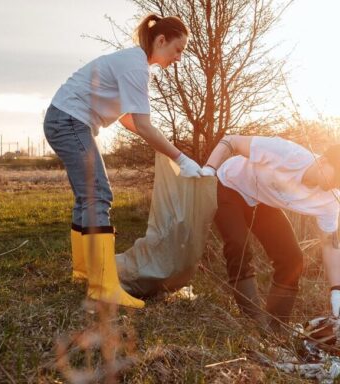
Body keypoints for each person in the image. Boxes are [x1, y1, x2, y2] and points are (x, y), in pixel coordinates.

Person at [44, 14, 202, 309]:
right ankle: (103, 286)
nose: (179, 58)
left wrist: (165, 148)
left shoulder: (136, 64)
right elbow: (142, 124)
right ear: (161, 40)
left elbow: (130, 119)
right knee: (98, 194)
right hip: (69, 120)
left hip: (66, 120)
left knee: (88, 196)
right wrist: (181, 158)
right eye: (178, 50)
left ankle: (85, 273)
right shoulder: (135, 66)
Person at [201, 135, 340, 332]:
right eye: (337, 176)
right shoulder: (289, 154)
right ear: (324, 161)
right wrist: (209, 169)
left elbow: (330, 243)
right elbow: (231, 141)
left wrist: (337, 290)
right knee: (239, 244)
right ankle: (254, 321)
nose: (336, 183)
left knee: (292, 259)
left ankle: (275, 328)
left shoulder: (331, 199)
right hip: (230, 185)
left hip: (262, 200)